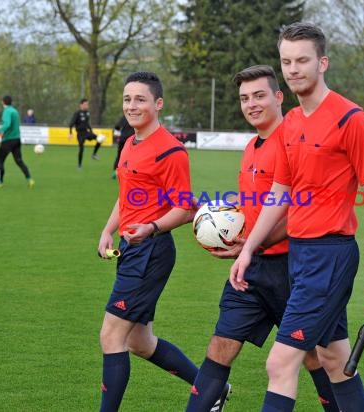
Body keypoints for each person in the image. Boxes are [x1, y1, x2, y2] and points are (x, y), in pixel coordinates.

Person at [230, 22, 364, 412]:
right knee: (335, 359)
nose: (293, 68)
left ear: (322, 62)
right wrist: (248, 249)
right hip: (300, 257)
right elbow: (279, 192)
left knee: (280, 362)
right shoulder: (289, 123)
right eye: (286, 61)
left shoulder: (350, 119)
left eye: (302, 60)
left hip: (330, 256)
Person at [185, 65, 339, 412]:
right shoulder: (252, 146)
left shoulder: (296, 142)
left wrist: (254, 244)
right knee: (220, 346)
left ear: (278, 96)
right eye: (244, 98)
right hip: (251, 269)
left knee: (315, 357)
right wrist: (219, 217)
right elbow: (258, 204)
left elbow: (301, 210)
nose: (251, 104)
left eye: (259, 95)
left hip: (293, 269)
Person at [96, 71, 229, 412]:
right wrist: (108, 230)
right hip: (131, 248)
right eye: (127, 99)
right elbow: (127, 195)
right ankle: (212, 389)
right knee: (140, 341)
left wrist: (151, 227)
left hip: (150, 251)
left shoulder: (171, 151)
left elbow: (184, 208)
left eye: (140, 99)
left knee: (112, 335)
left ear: (158, 103)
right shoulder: (131, 142)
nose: (132, 105)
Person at [0, 95, 35, 189]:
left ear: (3, 102)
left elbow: (7, 124)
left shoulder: (7, 111)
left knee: (0, 160)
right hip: (17, 140)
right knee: (19, 161)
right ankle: (30, 179)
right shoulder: (15, 111)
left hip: (8, 140)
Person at [68, 98, 101, 168]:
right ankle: (79, 165)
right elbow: (71, 124)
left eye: (87, 104)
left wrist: (91, 131)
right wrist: (70, 133)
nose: (87, 106)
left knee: (100, 139)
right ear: (81, 105)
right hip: (80, 134)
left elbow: (87, 124)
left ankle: (94, 154)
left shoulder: (87, 113)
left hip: (86, 132)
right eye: (85, 104)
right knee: (81, 149)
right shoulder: (77, 113)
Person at [111, 115, 134, 179]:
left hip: (122, 139)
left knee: (119, 156)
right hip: (131, 139)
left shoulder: (124, 117)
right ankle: (129, 173)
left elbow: (117, 127)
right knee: (132, 157)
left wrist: (117, 134)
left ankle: (115, 172)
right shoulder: (137, 117)